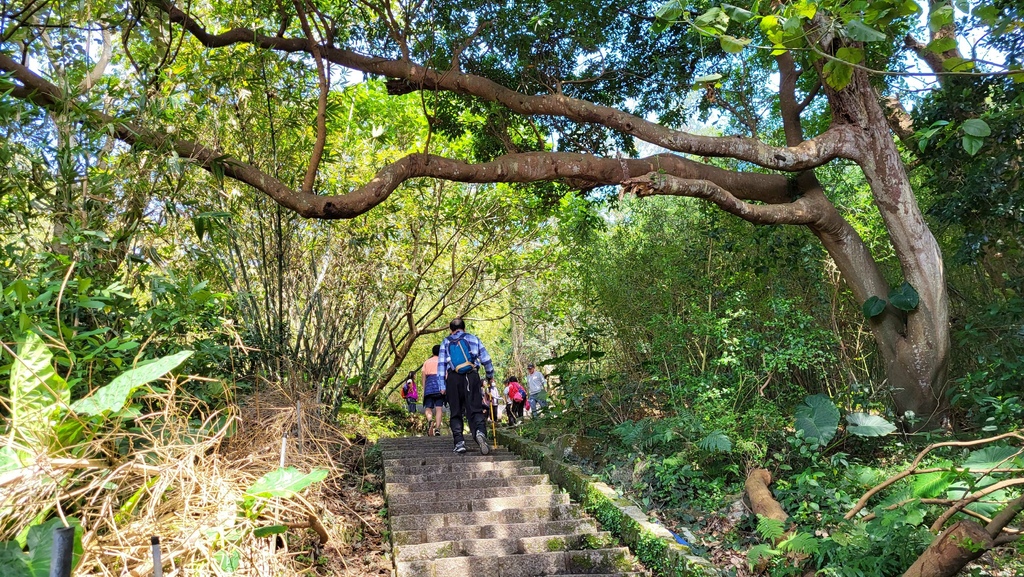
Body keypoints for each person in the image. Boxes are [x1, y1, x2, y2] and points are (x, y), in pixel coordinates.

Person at [437, 318, 495, 454]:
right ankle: (480, 432)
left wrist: (442, 386)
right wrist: (489, 375)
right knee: (475, 408)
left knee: (455, 410)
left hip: (453, 378)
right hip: (472, 376)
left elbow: (441, 366)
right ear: (464, 328)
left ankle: (459, 442)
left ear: (451, 330)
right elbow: (486, 359)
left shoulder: (446, 342)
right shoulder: (473, 338)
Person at [422, 345, 445, 436]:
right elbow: (446, 376)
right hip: (440, 386)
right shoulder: (442, 362)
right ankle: (437, 428)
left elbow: (423, 377)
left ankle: (430, 420)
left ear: (432, 352)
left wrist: (424, 389)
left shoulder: (426, 362)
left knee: (428, 408)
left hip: (429, 385)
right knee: (439, 408)